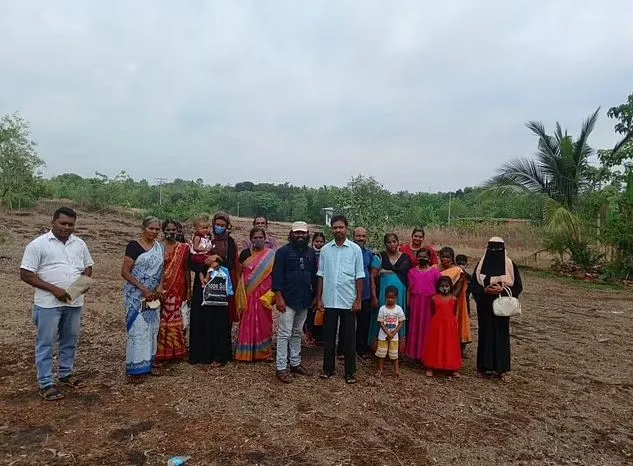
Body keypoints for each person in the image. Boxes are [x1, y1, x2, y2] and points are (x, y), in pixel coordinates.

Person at [20, 207, 94, 401]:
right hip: (48, 303)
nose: (67, 227)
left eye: (71, 224)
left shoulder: (79, 244)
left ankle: (66, 374)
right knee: (46, 343)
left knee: (70, 340)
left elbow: (88, 267)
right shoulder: (38, 245)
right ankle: (45, 383)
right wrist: (54, 289)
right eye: (63, 223)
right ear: (53, 222)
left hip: (74, 301)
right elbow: (26, 274)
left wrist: (82, 284)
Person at [316, 215, 365, 384]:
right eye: (335, 228)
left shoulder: (355, 250)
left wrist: (358, 300)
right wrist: (319, 298)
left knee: (349, 337)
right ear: (332, 229)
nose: (338, 230)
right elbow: (321, 275)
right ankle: (327, 369)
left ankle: (350, 372)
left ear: (347, 228)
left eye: (341, 227)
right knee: (329, 337)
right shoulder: (325, 250)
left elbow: (360, 276)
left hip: (348, 300)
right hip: (329, 300)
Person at [470, 237, 523, 380]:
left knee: (501, 335)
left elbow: (518, 286)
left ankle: (501, 368)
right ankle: (484, 367)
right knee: (485, 334)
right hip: (485, 305)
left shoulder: (510, 265)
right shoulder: (480, 265)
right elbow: (474, 285)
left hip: (502, 306)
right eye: (492, 248)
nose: (494, 252)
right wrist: (485, 291)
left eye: (497, 248)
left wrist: (502, 290)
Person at [272, 221, 317, 383]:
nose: (300, 235)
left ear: (307, 234)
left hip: (304, 299)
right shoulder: (283, 252)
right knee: (284, 333)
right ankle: (281, 367)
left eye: (303, 233)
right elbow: (276, 275)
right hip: (287, 299)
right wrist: (279, 296)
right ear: (291, 234)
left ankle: (295, 363)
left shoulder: (311, 254)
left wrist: (316, 297)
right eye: (297, 233)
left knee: (297, 332)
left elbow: (314, 277)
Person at [121, 216, 164, 381]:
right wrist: (143, 289)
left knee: (152, 328)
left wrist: (159, 287)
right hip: (136, 295)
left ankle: (149, 363)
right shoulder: (134, 246)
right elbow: (125, 272)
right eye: (151, 228)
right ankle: (135, 368)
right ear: (143, 228)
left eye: (156, 229)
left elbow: (162, 270)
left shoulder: (159, 248)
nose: (154, 232)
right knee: (138, 329)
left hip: (153, 295)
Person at [235, 227, 275, 362]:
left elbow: (274, 274)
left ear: (265, 239)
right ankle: (245, 352)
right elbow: (239, 273)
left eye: (260, 237)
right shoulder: (245, 254)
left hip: (264, 295)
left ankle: (263, 352)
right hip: (248, 293)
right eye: (255, 238)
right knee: (246, 319)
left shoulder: (271, 255)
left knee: (264, 322)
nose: (258, 240)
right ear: (251, 239)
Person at [368, 233, 412, 354]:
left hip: (400, 296)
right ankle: (380, 348)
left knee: (397, 318)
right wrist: (374, 297)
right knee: (384, 317)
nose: (392, 244)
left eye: (394, 241)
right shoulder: (379, 257)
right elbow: (372, 277)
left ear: (398, 242)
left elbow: (410, 279)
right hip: (383, 295)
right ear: (385, 244)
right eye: (389, 242)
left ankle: (396, 349)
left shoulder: (406, 259)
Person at [155, 220, 190, 364]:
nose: (171, 232)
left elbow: (187, 269)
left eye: (173, 230)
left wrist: (189, 290)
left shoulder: (184, 248)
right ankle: (160, 352)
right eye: (168, 230)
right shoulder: (157, 247)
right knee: (161, 320)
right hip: (161, 287)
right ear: (163, 231)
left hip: (178, 287)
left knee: (179, 319)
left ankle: (177, 351)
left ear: (178, 231)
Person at [406, 248, 441, 364]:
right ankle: (412, 354)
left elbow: (439, 289)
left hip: (429, 304)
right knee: (415, 327)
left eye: (425, 256)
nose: (422, 258)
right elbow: (409, 289)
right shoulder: (412, 272)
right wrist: (408, 303)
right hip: (416, 304)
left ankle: (426, 355)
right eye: (420, 256)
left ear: (429, 258)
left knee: (427, 329)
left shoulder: (435, 273)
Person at [423, 276, 462, 378]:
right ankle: (431, 366)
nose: (444, 288)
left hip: (450, 326)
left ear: (450, 286)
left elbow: (454, 312)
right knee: (435, 344)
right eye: (442, 286)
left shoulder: (454, 299)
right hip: (437, 325)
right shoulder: (434, 298)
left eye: (447, 286)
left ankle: (453, 367)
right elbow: (433, 312)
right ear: (438, 287)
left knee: (450, 345)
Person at [437, 247, 471, 357]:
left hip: (453, 303)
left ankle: (454, 351)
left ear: (452, 258)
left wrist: (448, 300)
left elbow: (459, 288)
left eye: (447, 257)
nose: (444, 259)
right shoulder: (435, 268)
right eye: (442, 256)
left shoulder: (457, 271)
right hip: (437, 302)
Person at [376, 286, 406, 377]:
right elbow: (380, 322)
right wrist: (387, 333)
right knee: (381, 353)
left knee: (394, 354)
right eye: (388, 297)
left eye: (392, 298)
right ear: (385, 297)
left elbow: (401, 322)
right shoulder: (382, 309)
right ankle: (380, 369)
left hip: (394, 336)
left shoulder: (398, 309)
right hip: (383, 336)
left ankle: (396, 370)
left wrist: (393, 333)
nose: (390, 299)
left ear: (396, 298)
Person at [305, 232, 326, 346]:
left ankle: (319, 337)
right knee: (309, 312)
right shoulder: (309, 253)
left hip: (323, 286)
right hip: (311, 287)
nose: (319, 243)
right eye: (317, 241)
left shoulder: (327, 253)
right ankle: (309, 334)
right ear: (313, 242)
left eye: (321, 241)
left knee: (321, 312)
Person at [190, 216, 213, 283]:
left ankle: (206, 278)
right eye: (203, 228)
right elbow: (195, 247)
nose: (205, 230)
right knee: (200, 270)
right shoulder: (197, 237)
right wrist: (205, 249)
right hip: (199, 256)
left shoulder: (206, 236)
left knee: (211, 266)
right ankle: (203, 282)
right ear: (197, 229)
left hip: (205, 254)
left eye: (206, 228)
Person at [456, 254, 472, 320]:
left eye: (463, 264)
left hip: (465, 303)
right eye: (459, 264)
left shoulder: (468, 277)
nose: (460, 266)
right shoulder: (453, 275)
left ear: (466, 265)